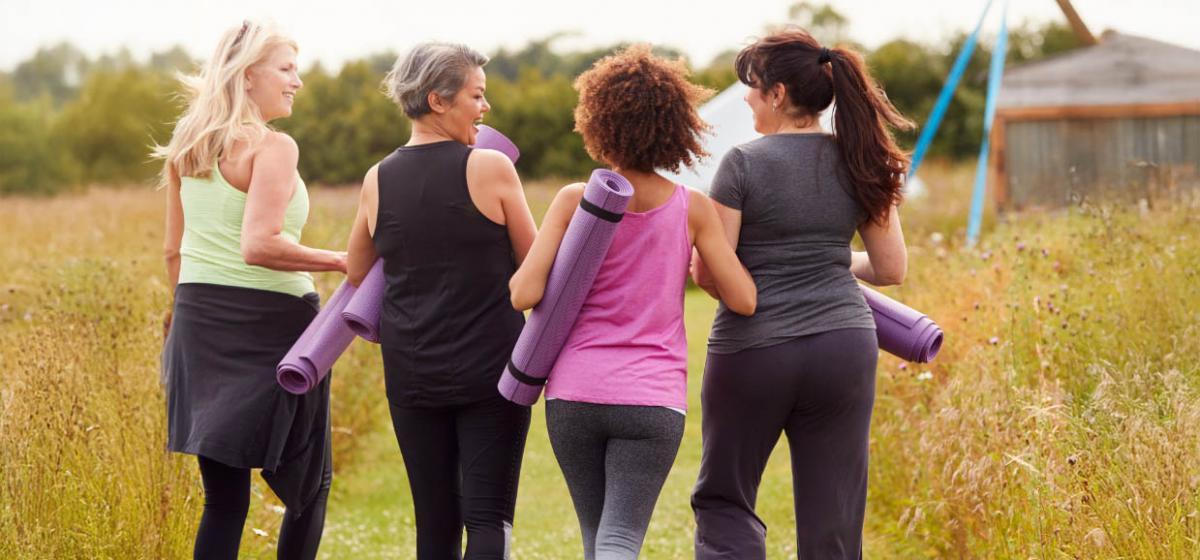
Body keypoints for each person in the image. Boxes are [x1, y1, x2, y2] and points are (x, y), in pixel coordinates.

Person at [507, 45, 757, 560]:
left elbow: (522, 294)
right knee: (620, 540)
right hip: (651, 397)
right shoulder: (695, 209)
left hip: (574, 394)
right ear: (676, 126)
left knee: (597, 538)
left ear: (598, 123)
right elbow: (744, 299)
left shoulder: (575, 200)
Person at [689, 28, 912, 560]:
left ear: (778, 94)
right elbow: (890, 268)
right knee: (833, 514)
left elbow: (711, 273)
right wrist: (829, 260)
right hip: (844, 345)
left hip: (754, 349)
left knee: (726, 499)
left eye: (752, 87)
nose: (745, 97)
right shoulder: (863, 159)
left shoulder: (743, 163)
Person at [156, 20, 346, 560]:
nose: (297, 81)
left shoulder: (187, 147)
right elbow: (259, 244)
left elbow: (174, 252)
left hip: (198, 321)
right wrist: (341, 260)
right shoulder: (274, 147)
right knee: (310, 486)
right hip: (276, 325)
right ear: (247, 77)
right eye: (286, 69)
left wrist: (189, 324)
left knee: (224, 501)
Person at [344, 42, 537, 559]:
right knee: (488, 518)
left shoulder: (376, 178)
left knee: (434, 525)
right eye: (477, 95)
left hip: (411, 371)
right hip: (492, 371)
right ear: (437, 100)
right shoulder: (491, 167)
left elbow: (359, 270)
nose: (485, 107)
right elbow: (534, 266)